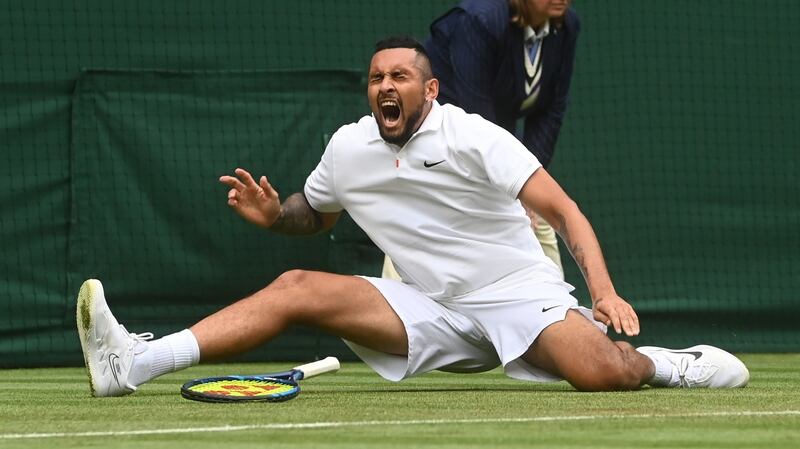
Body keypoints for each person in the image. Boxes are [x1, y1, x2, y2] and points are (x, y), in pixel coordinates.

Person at [77, 36, 749, 398]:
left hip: (519, 297)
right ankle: (135, 361)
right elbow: (312, 213)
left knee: (604, 374)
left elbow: (564, 210)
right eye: (376, 78)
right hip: (426, 306)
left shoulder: (474, 137)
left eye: (399, 76)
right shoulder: (347, 147)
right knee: (296, 286)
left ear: (428, 89)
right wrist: (273, 214)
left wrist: (601, 291)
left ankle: (663, 364)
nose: (385, 87)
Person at [382, 0, 579, 281]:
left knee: (538, 213)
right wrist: (510, 183)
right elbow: (475, 111)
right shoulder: (481, 20)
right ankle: (394, 304)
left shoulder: (567, 26)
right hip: (436, 133)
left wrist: (527, 181)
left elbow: (551, 109)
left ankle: (559, 313)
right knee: (426, 214)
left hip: (494, 130)